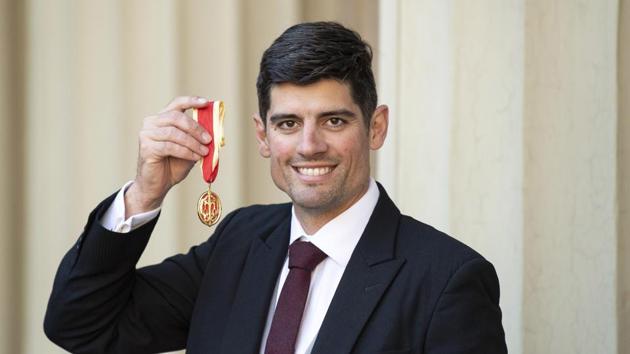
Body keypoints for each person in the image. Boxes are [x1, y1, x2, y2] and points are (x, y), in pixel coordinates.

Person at [44, 22, 507, 354]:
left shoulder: (450, 279)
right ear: (263, 136)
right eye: (288, 123)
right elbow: (82, 327)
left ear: (376, 127)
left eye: (334, 120)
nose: (309, 145)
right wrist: (145, 195)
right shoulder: (240, 240)